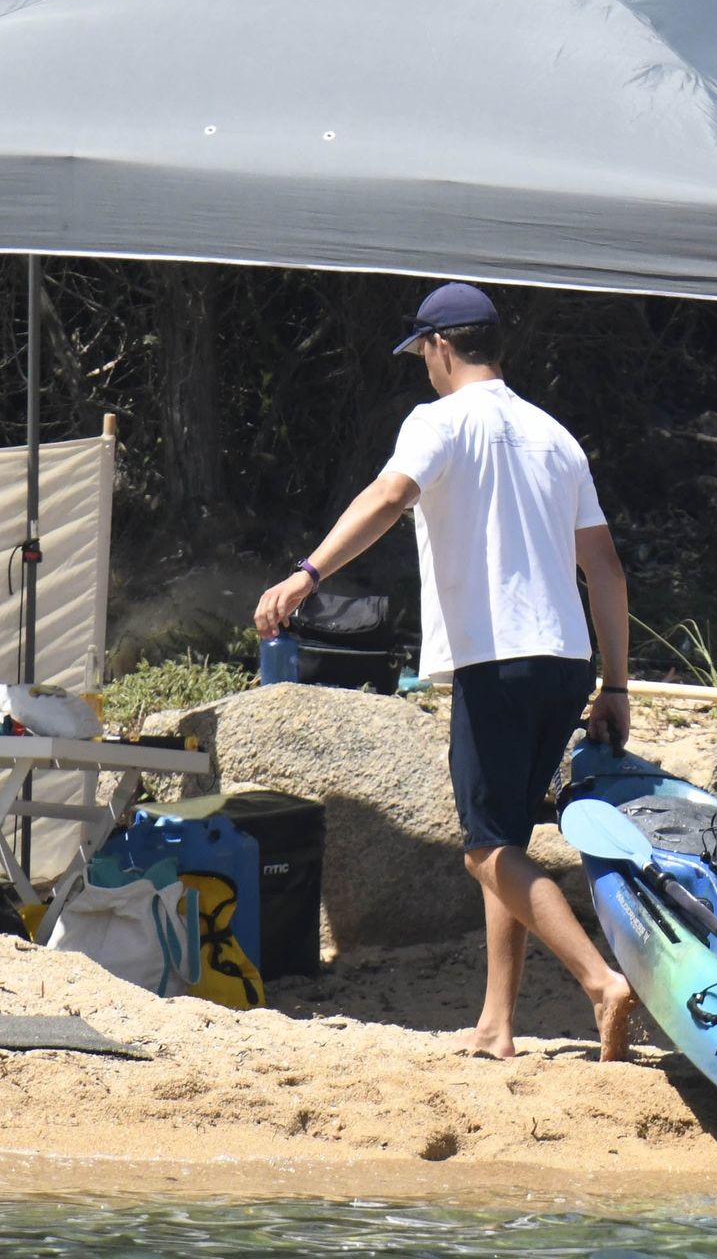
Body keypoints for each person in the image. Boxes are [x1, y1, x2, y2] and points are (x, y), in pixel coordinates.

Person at [254, 282, 638, 1062]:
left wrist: (308, 572)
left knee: (483, 849)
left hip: (496, 659)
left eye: (422, 355)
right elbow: (604, 567)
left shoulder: (439, 421)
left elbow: (389, 494)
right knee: (507, 837)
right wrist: (617, 684)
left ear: (439, 347)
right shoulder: (556, 436)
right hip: (567, 661)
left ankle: (600, 981)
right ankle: (496, 1022)